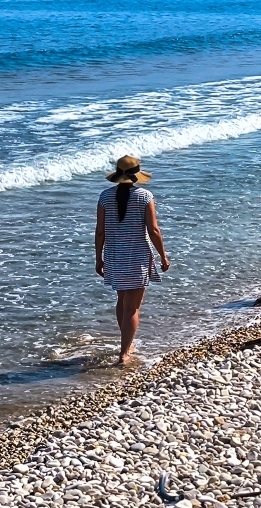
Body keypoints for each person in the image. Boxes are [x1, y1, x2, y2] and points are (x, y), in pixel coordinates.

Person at [95, 155, 171, 365]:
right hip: (137, 256)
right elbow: (153, 230)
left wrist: (98, 258)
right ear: (137, 175)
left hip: (114, 255)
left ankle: (126, 344)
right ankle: (124, 353)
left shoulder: (104, 197)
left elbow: (100, 232)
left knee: (122, 301)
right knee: (133, 308)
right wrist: (163, 256)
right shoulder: (145, 196)